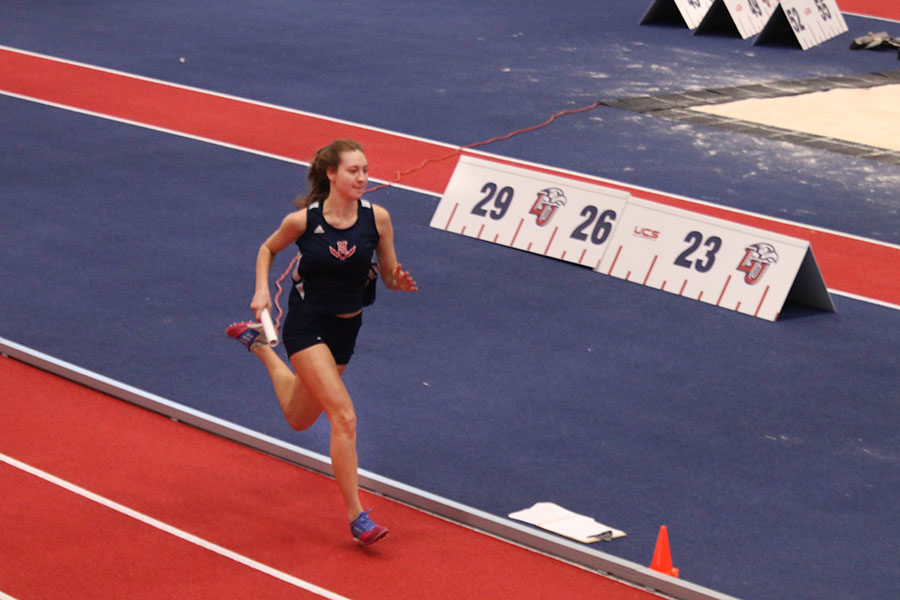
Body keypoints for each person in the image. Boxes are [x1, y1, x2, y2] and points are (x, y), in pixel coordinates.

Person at [226, 139, 418, 545]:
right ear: (331, 174)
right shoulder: (303, 221)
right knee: (344, 416)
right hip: (306, 324)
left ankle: (259, 345)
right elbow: (267, 248)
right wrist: (262, 290)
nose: (363, 177)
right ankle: (357, 517)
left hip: (346, 330)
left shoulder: (378, 219)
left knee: (299, 417)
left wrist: (397, 283)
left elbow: (386, 273)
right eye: (353, 170)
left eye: (366, 170)